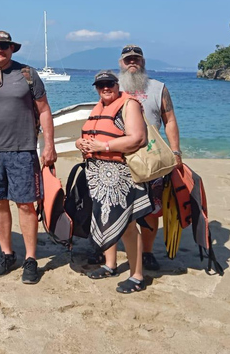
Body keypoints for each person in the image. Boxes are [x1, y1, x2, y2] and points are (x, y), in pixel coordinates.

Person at [0, 31, 56, 285]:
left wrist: (48, 145)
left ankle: (30, 259)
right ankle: (7, 254)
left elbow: (44, 110)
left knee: (26, 205)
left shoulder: (27, 74)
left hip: (23, 150)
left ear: (12, 49)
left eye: (4, 46)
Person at [78, 70, 150, 294]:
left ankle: (137, 275)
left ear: (117, 85)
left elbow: (138, 138)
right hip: (98, 173)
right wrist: (82, 143)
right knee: (104, 219)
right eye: (101, 85)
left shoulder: (129, 104)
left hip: (121, 173)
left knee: (128, 224)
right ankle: (110, 264)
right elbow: (95, 132)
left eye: (109, 84)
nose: (105, 88)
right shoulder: (99, 106)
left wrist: (103, 147)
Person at [117, 44, 182, 271]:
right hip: (118, 159)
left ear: (143, 61)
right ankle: (116, 248)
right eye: (128, 59)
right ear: (121, 63)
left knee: (152, 209)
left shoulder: (158, 88)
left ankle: (146, 252)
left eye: (136, 59)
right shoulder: (113, 87)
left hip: (152, 160)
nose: (132, 62)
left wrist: (175, 152)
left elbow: (170, 120)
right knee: (118, 207)